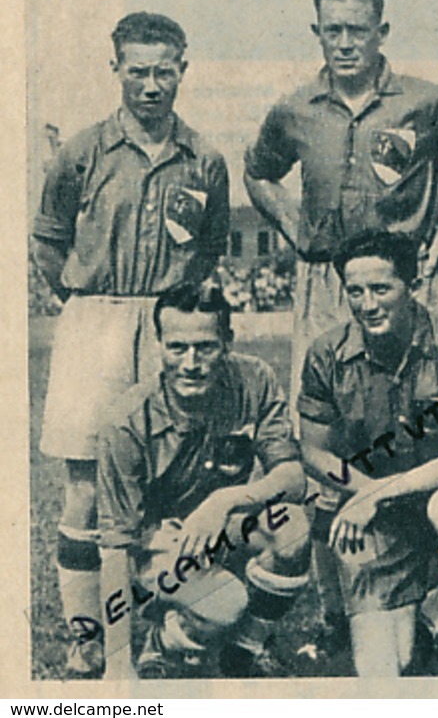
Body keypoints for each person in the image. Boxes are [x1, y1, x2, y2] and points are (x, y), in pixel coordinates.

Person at [244, 0, 438, 646]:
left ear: (382, 32)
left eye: (359, 29)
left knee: (428, 439)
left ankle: (434, 601)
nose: (346, 41)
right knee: (330, 449)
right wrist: (292, 224)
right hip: (328, 283)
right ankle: (341, 608)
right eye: (333, 29)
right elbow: (256, 172)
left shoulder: (428, 101)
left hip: (407, 282)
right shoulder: (294, 108)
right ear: (317, 33)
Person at [32, 12, 229, 677]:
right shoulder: (82, 150)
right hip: (95, 320)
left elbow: (210, 247)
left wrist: (168, 311)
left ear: (183, 68)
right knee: (86, 486)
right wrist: (83, 304)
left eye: (163, 70)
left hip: (169, 325)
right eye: (137, 70)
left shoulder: (205, 157)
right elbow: (47, 237)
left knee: (165, 484)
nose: (151, 84)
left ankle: (153, 630)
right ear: (114, 68)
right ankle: (86, 634)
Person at [297, 231, 438, 677]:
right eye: (355, 291)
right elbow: (313, 451)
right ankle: (430, 606)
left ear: (410, 285)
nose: (367, 303)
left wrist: (380, 492)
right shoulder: (326, 353)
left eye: (380, 288)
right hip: (376, 495)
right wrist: (369, 491)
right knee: (386, 668)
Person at [96, 284, 309, 680]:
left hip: (223, 527)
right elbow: (114, 548)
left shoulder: (254, 380)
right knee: (226, 603)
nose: (191, 362)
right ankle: (162, 639)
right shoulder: (125, 421)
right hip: (159, 546)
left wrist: (225, 501)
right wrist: (116, 666)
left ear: (228, 341)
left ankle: (244, 649)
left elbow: (292, 478)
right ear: (158, 344)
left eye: (205, 347)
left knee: (292, 528)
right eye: (177, 347)